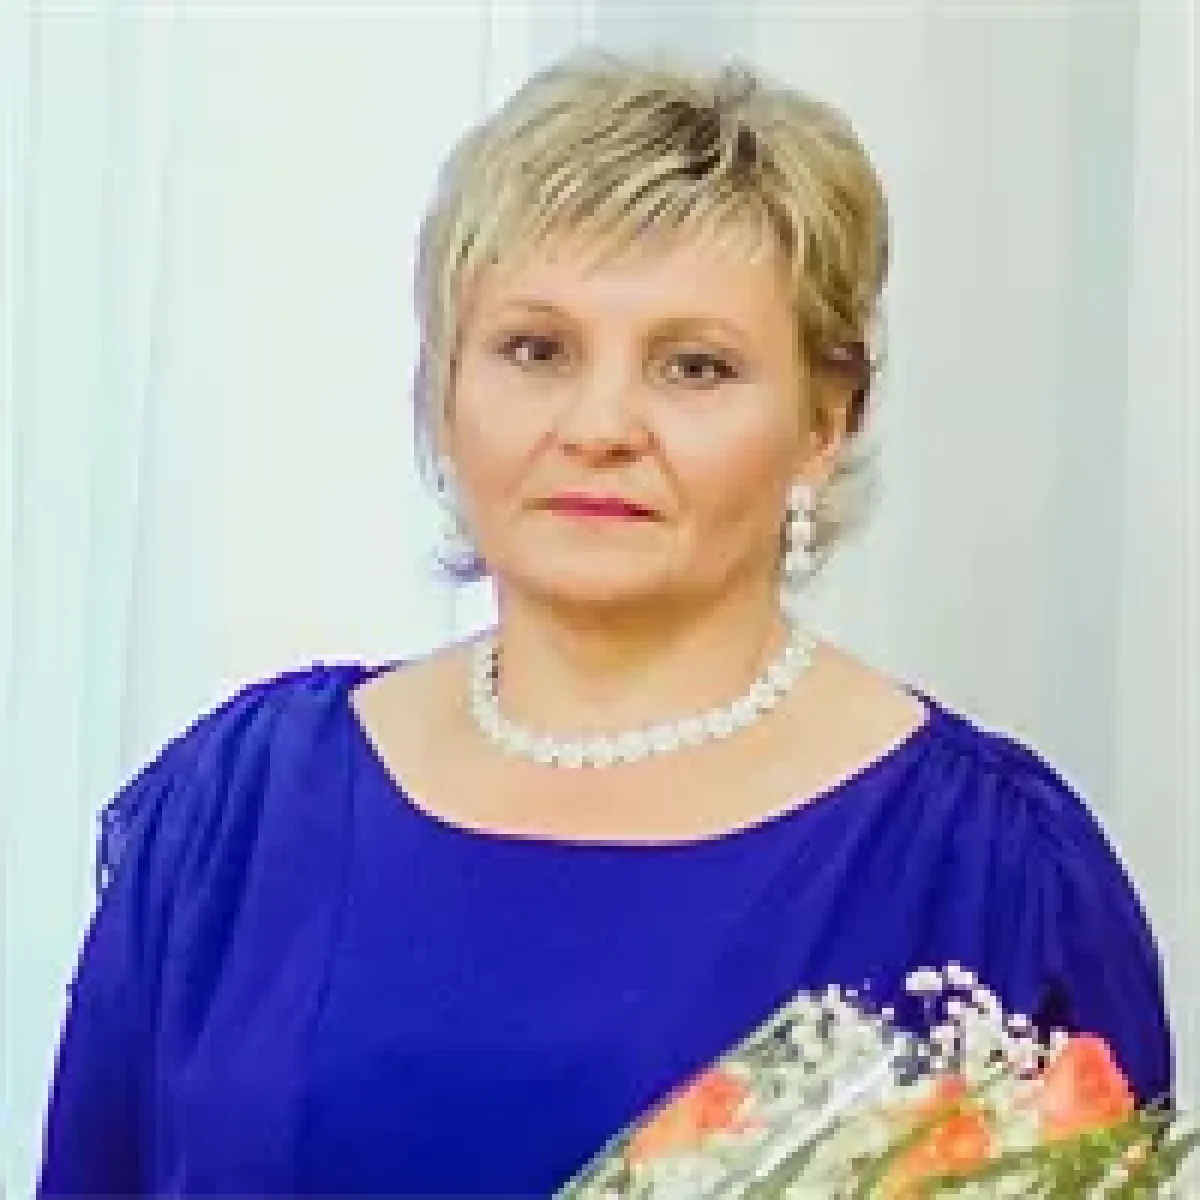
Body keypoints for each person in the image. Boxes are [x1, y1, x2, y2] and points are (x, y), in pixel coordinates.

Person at [37, 47, 1172, 1199]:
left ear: (826, 422)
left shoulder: (987, 875)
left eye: (695, 366)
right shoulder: (239, 815)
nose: (600, 425)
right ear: (445, 387)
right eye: (536, 351)